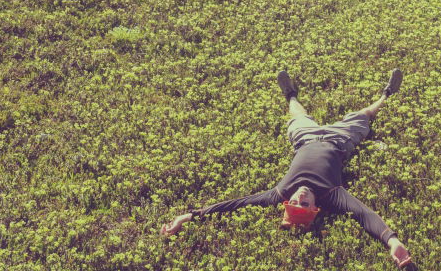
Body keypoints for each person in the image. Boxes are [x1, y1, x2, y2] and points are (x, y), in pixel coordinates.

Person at [160, 69, 414, 269]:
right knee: (363, 116)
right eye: (303, 205)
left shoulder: (281, 192)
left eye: (294, 203)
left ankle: (291, 95)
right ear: (315, 209)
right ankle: (386, 94)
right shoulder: (332, 195)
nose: (299, 198)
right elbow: (364, 214)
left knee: (298, 117)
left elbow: (236, 205)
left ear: (286, 202)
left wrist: (190, 216)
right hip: (339, 139)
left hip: (305, 138)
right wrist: (392, 240)